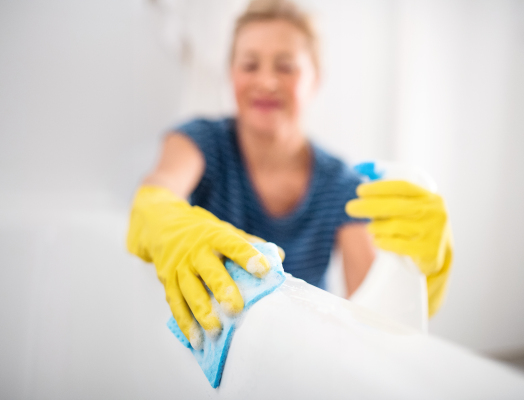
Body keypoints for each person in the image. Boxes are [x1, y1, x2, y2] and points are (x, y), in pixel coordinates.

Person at [127, 0, 452, 350]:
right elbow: (158, 190)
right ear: (231, 73)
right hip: (216, 348)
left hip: (301, 354)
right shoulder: (201, 142)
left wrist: (416, 278)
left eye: (286, 67)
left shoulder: (341, 184)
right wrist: (170, 222)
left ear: (315, 78)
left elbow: (373, 316)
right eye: (250, 65)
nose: (266, 81)